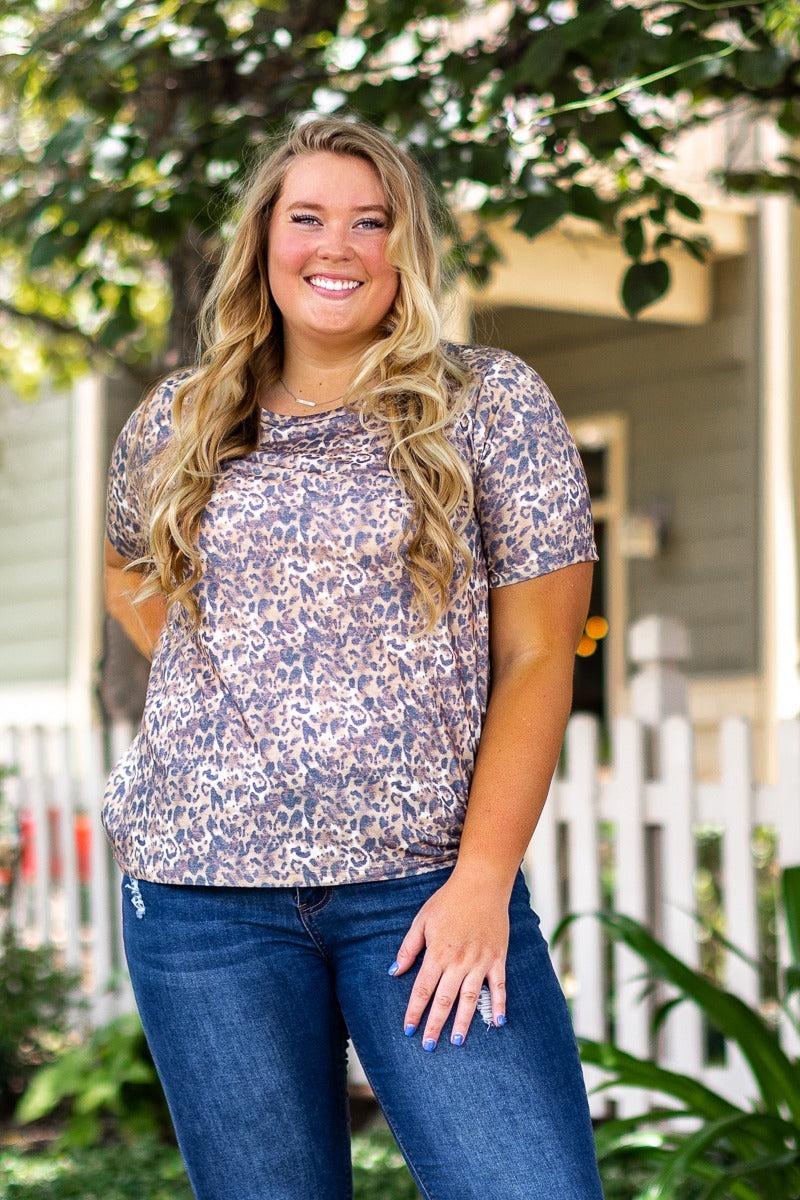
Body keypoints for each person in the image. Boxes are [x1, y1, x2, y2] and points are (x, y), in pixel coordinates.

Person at [102, 115, 604, 1200]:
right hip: (202, 895)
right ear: (263, 241)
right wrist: (232, 685)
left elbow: (537, 658)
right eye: (307, 217)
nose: (336, 246)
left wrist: (482, 880)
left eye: (369, 222)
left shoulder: (490, 403)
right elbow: (125, 568)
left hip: (423, 889)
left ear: (404, 247)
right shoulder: (178, 418)